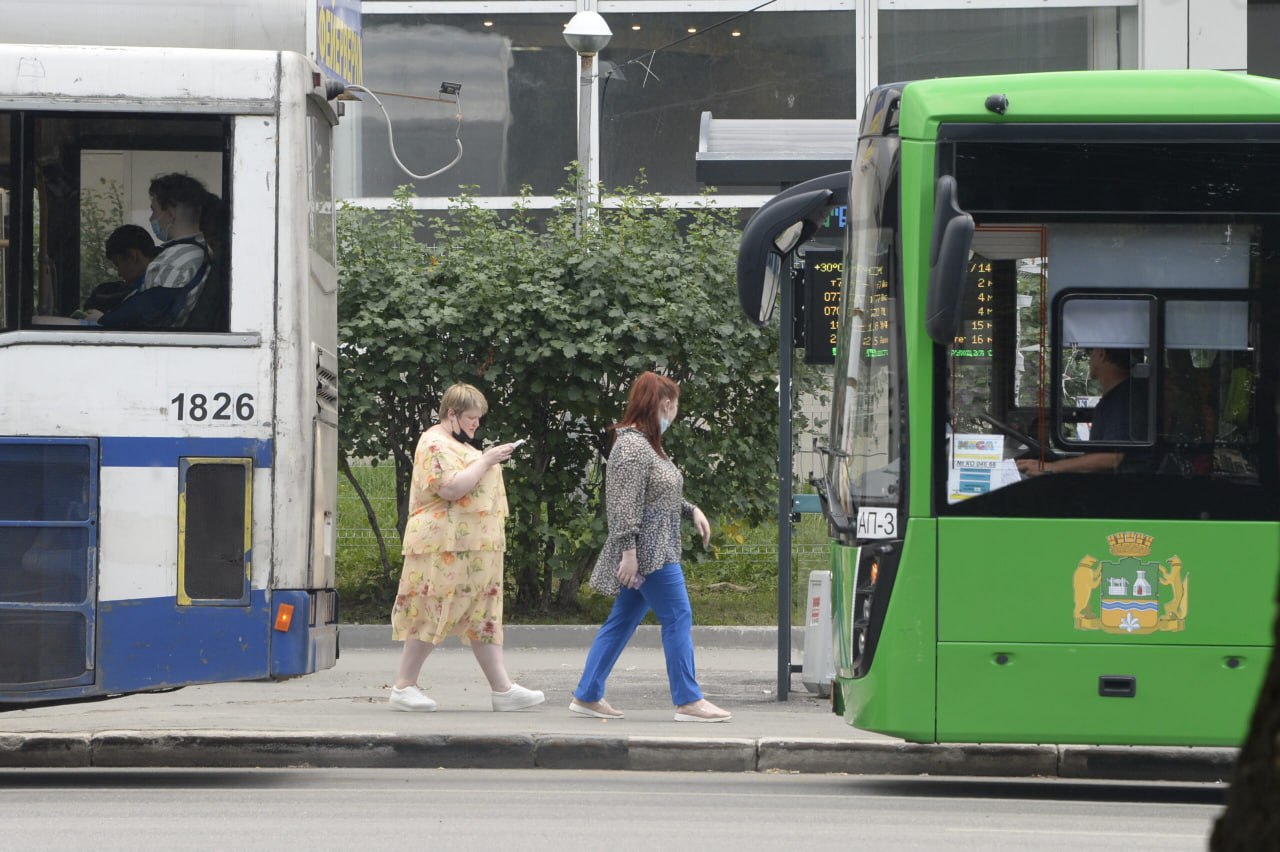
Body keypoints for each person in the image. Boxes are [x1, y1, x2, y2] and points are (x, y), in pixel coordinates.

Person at [571, 372, 731, 723]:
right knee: (678, 616)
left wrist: (691, 510)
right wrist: (629, 554)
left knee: (623, 619)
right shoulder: (632, 447)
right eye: (671, 405)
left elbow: (660, 493)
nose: (674, 412)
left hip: (652, 549)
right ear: (660, 404)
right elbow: (623, 505)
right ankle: (688, 700)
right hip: (650, 553)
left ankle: (587, 694)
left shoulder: (645, 445)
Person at [388, 382, 545, 713]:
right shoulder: (434, 443)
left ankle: (502, 689)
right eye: (471, 418)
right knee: (431, 607)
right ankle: (404, 686)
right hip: (442, 547)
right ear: (451, 414)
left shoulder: (458, 445)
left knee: (482, 615)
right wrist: (487, 459)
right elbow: (449, 488)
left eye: (478, 418)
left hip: (474, 549)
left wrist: (486, 459)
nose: (476, 424)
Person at [94, 173, 212, 330]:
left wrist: (104, 319)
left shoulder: (175, 261)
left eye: (154, 210)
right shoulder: (199, 252)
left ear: (170, 213)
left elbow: (145, 313)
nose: (152, 218)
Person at [1018, 347, 1151, 476]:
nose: (1089, 358)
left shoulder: (1124, 400)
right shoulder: (1119, 396)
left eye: (1091, 351)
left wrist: (1052, 468)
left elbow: (1112, 457)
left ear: (1101, 354)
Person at [82, 224, 161, 316]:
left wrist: (102, 320)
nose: (119, 273)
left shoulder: (156, 288)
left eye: (118, 264)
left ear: (132, 256)